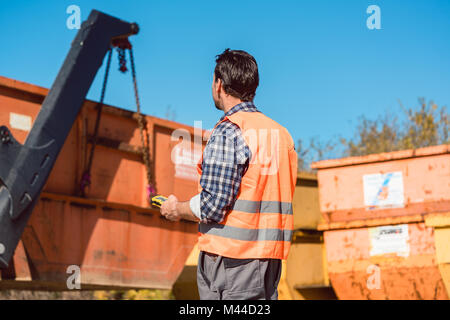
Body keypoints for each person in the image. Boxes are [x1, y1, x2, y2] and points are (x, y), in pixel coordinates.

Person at [160, 49, 298, 300]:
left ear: (219, 84)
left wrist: (175, 209)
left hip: (233, 261)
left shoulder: (229, 131)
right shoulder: (281, 134)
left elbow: (213, 206)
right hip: (268, 259)